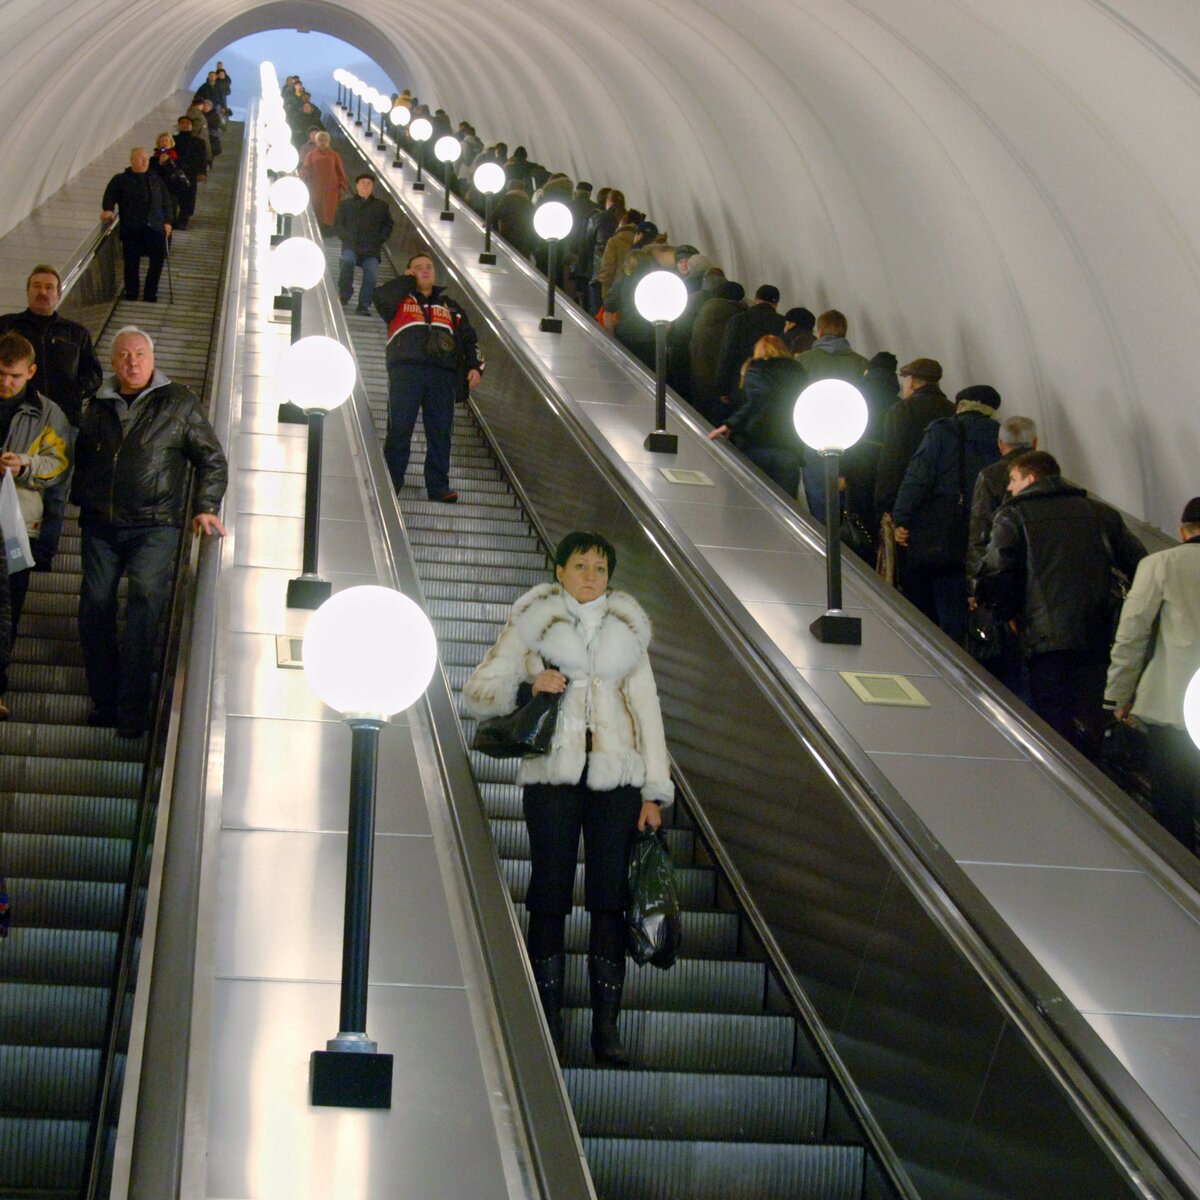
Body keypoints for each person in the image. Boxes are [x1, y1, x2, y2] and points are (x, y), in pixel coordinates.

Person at [463, 532, 673, 1064]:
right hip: (552, 778)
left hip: (617, 782)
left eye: (599, 568)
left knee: (609, 897)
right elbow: (479, 690)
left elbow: (648, 713)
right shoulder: (533, 622)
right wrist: (532, 684)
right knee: (549, 891)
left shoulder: (627, 629)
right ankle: (547, 1020)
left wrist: (655, 792)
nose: (589, 576)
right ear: (559, 571)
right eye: (579, 565)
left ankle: (608, 1028)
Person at [73, 327, 227, 737]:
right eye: (124, 355)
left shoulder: (178, 402)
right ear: (112, 361)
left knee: (144, 602)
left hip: (157, 525)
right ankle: (105, 702)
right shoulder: (96, 405)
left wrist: (205, 507)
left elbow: (211, 458)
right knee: (94, 607)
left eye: (140, 354)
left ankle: (133, 710)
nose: (132, 362)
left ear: (152, 358)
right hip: (101, 526)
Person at [977, 451, 1145, 760]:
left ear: (1031, 478)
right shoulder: (1101, 513)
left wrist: (1006, 613)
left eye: (1013, 480)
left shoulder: (1013, 516)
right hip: (1097, 635)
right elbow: (1141, 566)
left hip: (1043, 638)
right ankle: (1099, 784)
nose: (1010, 488)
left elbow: (998, 569)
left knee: (1051, 722)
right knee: (1093, 715)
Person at [1105, 498, 1200, 853]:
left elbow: (1132, 634)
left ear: (1182, 531)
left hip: (1173, 706)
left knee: (1172, 803)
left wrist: (1117, 696)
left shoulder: (1161, 564)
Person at [892, 385, 1002, 643]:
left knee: (942, 596)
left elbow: (918, 476)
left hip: (945, 531)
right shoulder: (1001, 438)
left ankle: (944, 653)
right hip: (989, 531)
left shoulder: (943, 430)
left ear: (961, 404)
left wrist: (901, 518)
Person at [372, 252, 484, 503]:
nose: (425, 271)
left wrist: (475, 366)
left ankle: (438, 486)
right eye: (418, 268)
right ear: (409, 272)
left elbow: (468, 338)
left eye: (429, 267)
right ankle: (392, 483)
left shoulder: (450, 306)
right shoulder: (399, 300)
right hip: (406, 372)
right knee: (400, 428)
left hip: (442, 376)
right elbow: (380, 298)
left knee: (441, 432)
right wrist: (405, 281)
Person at [0, 333, 71, 678]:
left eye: (14, 375)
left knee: (7, 609)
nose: (5, 382)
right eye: (0, 373)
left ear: (30, 372)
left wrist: (24, 465)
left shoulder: (49, 414)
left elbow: (58, 465)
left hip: (18, 529)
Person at [709, 335, 807, 496]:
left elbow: (757, 401)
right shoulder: (798, 372)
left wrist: (730, 424)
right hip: (788, 451)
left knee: (748, 503)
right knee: (786, 508)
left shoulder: (755, 369)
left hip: (756, 447)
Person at [874, 357, 954, 520]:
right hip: (943, 498)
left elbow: (892, 457)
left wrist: (884, 503)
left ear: (911, 382)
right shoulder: (952, 410)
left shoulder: (902, 409)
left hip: (906, 494)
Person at [101, 149, 172, 303]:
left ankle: (150, 294)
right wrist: (108, 209)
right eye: (141, 158)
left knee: (157, 262)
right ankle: (132, 293)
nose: (145, 161)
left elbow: (166, 201)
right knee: (131, 263)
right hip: (132, 228)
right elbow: (110, 195)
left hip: (155, 228)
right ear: (132, 160)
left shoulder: (156, 179)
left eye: (146, 159)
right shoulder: (120, 179)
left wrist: (168, 222)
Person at [333, 174, 394, 315]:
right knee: (347, 261)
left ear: (372, 187)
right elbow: (338, 223)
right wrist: (345, 236)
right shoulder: (346, 205)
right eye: (363, 183)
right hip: (351, 246)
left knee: (371, 276)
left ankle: (363, 306)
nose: (366, 185)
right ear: (357, 186)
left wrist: (380, 238)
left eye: (369, 183)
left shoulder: (381, 206)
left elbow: (388, 225)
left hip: (371, 250)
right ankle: (345, 293)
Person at [715, 284, 785, 405]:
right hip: (770, 388)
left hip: (740, 384)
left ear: (755, 300)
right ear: (776, 305)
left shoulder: (738, 319)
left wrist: (722, 387)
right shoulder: (782, 323)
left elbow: (728, 353)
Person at [299, 132, 349, 236]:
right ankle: (317, 230)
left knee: (330, 210)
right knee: (317, 207)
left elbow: (340, 171)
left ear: (328, 142)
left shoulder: (334, 155)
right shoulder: (311, 155)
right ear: (316, 142)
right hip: (315, 187)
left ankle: (328, 232)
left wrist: (342, 185)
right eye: (320, 140)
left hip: (332, 188)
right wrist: (302, 177)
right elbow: (305, 168)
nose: (322, 143)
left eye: (325, 140)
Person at [172, 116, 207, 228]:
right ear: (178, 125)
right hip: (174, 174)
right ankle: (172, 220)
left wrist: (202, 173)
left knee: (187, 198)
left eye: (187, 123)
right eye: (182, 123)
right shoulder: (172, 140)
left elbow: (203, 158)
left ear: (191, 126)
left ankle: (183, 222)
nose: (185, 125)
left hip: (190, 174)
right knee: (173, 197)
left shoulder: (199, 142)